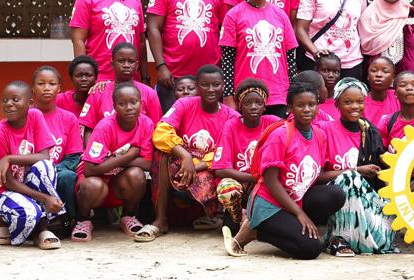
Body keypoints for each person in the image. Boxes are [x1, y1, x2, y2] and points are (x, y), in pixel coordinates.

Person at [222, 80, 345, 259]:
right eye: (300, 105)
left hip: (296, 198)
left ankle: (291, 227)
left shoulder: (319, 135)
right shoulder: (280, 135)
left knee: (336, 195)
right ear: (289, 108)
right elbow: (270, 181)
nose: (307, 109)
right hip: (269, 203)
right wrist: (299, 213)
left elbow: (317, 176)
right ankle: (255, 231)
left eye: (311, 104)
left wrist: (353, 170)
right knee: (311, 249)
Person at [147, 65, 239, 240]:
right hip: (182, 164)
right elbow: (161, 132)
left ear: (223, 86)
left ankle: (212, 215)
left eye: (216, 85)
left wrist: (197, 166)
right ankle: (160, 220)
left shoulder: (231, 117)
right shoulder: (184, 104)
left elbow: (225, 153)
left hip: (208, 169)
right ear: (197, 87)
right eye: (205, 85)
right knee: (161, 154)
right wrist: (185, 155)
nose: (211, 89)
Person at [0, 82, 63, 249]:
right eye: (5, 100)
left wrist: (9, 158)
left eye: (15, 99)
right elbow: (6, 182)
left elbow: (44, 156)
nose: (8, 104)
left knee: (46, 167)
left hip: (26, 184)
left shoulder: (35, 116)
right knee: (29, 214)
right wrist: (45, 198)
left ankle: (41, 230)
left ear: (29, 104)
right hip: (0, 190)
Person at [147, 0, 226, 112]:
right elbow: (153, 28)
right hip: (173, 75)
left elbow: (226, 31)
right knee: (171, 128)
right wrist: (161, 66)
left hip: (209, 78)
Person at [318, 78, 393, 255]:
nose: (355, 107)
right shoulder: (324, 130)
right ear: (336, 104)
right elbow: (317, 176)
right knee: (350, 178)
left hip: (363, 197)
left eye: (360, 102)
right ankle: (339, 239)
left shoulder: (370, 132)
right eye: (348, 102)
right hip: (331, 196)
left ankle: (363, 237)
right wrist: (356, 171)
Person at [73, 82, 153, 243]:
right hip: (95, 184)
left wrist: (113, 162)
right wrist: (128, 156)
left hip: (118, 183)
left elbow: (147, 164)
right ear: (114, 107)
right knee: (93, 185)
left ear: (141, 104)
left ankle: (128, 216)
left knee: (137, 175)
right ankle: (84, 220)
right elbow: (89, 169)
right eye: (122, 104)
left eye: (133, 102)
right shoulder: (105, 127)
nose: (129, 107)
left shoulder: (146, 124)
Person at [219, 0, 299, 118]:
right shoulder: (233, 15)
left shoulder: (281, 15)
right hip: (246, 95)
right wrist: (228, 96)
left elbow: (290, 59)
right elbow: (227, 60)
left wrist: (293, 94)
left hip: (278, 94)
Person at [70, 0, 149, 83]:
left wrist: (145, 76)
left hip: (131, 78)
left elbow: (141, 41)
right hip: (99, 78)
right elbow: (78, 40)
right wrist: (85, 76)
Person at [213, 79, 281, 227]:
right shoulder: (231, 126)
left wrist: (259, 180)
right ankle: (238, 216)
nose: (253, 107)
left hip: (266, 184)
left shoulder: (274, 124)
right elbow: (220, 169)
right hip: (240, 185)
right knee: (227, 188)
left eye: (258, 103)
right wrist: (253, 178)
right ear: (239, 106)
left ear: (264, 106)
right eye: (247, 103)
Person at [30, 66, 82, 232]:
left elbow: (74, 157)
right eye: (41, 83)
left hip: (58, 173)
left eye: (52, 84)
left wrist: (52, 171)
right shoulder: (24, 117)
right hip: (30, 175)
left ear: (59, 88)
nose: (46, 88)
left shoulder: (69, 118)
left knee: (68, 177)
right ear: (33, 89)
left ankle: (68, 221)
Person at [77, 43, 162, 137]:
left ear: (137, 65)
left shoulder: (150, 93)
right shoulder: (98, 91)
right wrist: (91, 151)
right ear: (112, 64)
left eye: (131, 61)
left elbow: (156, 129)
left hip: (140, 149)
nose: (126, 65)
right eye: (121, 61)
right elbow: (89, 129)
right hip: (103, 148)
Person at [379, 70, 414, 149]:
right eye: (403, 85)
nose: (409, 88)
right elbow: (380, 153)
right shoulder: (386, 122)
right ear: (395, 94)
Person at [363, 55, 400, 124]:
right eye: (374, 71)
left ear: (393, 78)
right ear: (368, 76)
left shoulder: (398, 97)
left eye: (385, 71)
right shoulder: (360, 102)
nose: (379, 75)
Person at [316, 52, 342, 120]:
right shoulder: (309, 101)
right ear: (316, 70)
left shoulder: (342, 101)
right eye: (325, 71)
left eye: (336, 72)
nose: (331, 75)